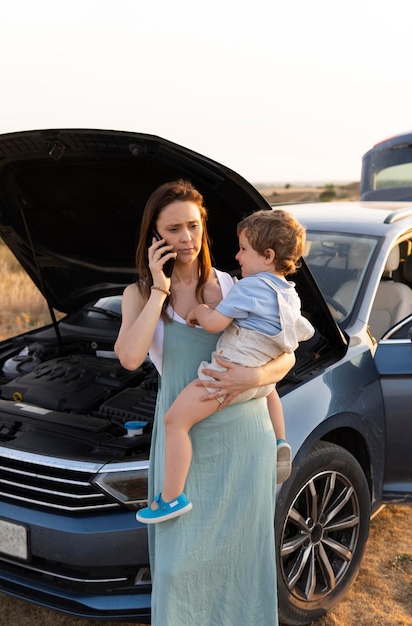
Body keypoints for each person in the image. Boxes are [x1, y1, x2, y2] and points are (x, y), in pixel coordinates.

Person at [114, 179, 295, 626]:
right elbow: (130, 357)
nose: (187, 238)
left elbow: (286, 353)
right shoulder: (138, 294)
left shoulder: (238, 286)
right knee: (179, 570)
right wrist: (159, 291)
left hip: (243, 440)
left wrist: (253, 375)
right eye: (173, 229)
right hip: (185, 450)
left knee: (241, 564)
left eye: (193, 226)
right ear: (155, 237)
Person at [136, 209, 314, 524]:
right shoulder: (289, 294)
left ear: (268, 255)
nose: (237, 255)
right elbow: (296, 336)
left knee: (175, 421)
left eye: (244, 249)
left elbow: (216, 324)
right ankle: (280, 441)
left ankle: (170, 498)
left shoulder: (248, 287)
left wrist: (201, 310)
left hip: (227, 375)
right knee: (269, 390)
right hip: (260, 385)